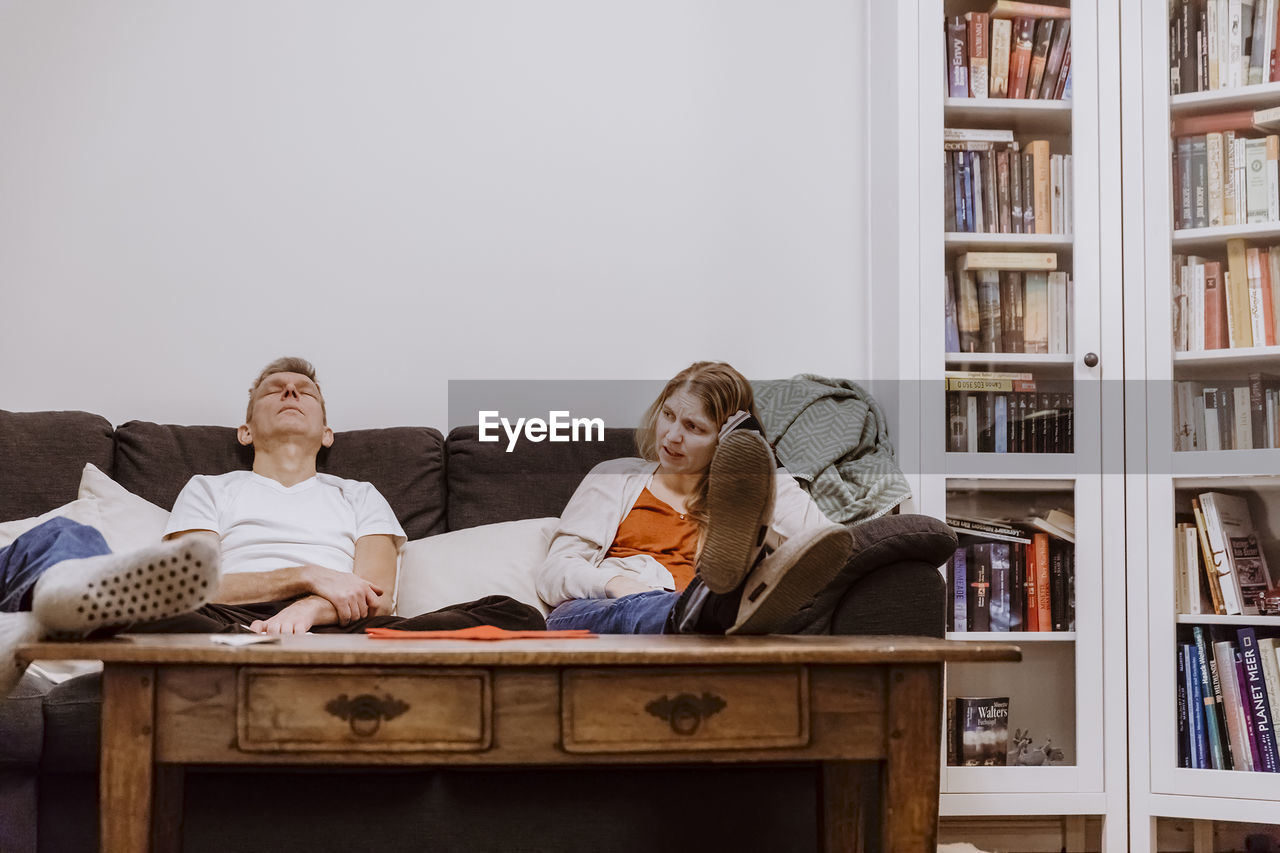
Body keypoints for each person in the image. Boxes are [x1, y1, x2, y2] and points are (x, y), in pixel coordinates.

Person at [0, 357, 544, 695]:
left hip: (340, 632)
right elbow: (187, 581)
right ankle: (50, 609)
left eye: (304, 391)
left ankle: (43, 621)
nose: (290, 393)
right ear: (245, 429)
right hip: (219, 625)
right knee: (78, 552)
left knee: (512, 612)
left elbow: (375, 596)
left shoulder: (359, 495)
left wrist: (309, 608)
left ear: (327, 433)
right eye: (274, 389)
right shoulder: (210, 487)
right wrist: (305, 576)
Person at [535, 361, 854, 635]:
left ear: (723, 441)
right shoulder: (616, 477)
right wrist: (616, 584)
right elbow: (554, 572)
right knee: (642, 610)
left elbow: (823, 544)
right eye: (668, 414)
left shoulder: (737, 503)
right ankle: (706, 611)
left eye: (693, 427)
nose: (672, 436)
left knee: (704, 605)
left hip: (698, 622)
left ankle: (706, 610)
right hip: (599, 610)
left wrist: (760, 460)